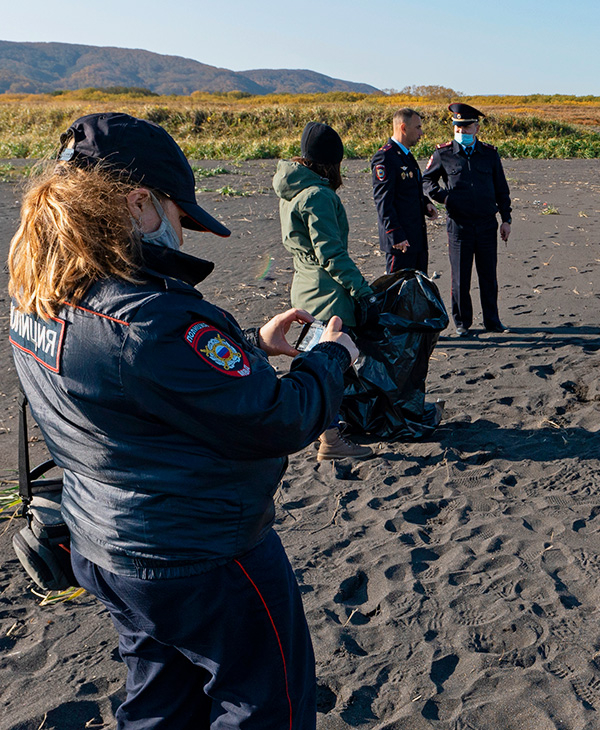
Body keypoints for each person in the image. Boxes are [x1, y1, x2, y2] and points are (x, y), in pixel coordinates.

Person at [7, 112, 359, 729]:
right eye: (178, 216)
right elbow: (277, 419)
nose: (181, 231)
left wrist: (247, 344)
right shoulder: (150, 320)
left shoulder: (42, 291)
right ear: (140, 203)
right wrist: (331, 361)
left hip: (107, 542)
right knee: (263, 704)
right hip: (199, 555)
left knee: (159, 697)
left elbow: (121, 386)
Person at [274, 121, 374, 459]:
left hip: (303, 286)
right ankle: (331, 439)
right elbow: (330, 253)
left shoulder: (291, 193)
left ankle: (330, 431)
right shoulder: (318, 195)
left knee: (315, 361)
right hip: (327, 292)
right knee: (331, 364)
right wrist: (362, 290)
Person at [422, 103, 513, 336]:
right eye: (458, 127)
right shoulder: (443, 154)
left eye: (466, 127)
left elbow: (502, 189)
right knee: (460, 278)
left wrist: (506, 219)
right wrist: (444, 198)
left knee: (488, 276)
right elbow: (427, 180)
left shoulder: (490, 154)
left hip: (485, 224)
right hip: (459, 226)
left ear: (477, 128)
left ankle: (492, 321)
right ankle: (462, 323)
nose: (461, 131)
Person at [371, 107, 438, 273]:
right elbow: (383, 201)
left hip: (415, 238)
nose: (421, 133)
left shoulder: (406, 155)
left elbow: (409, 191)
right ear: (403, 127)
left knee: (416, 291)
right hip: (400, 243)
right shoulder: (385, 157)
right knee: (397, 293)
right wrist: (395, 235)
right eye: (418, 127)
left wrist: (426, 204)